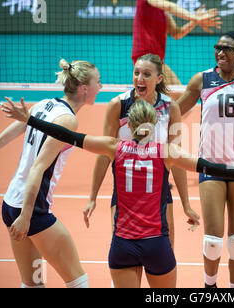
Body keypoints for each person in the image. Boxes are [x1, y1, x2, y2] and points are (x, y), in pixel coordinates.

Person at [1, 98, 234, 288]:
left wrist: (30, 120)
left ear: (130, 125)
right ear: (155, 124)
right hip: (157, 246)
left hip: (122, 245)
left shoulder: (114, 147)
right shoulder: (166, 153)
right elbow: (211, 166)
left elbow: (69, 136)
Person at [0, 59, 102, 288]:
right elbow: (38, 168)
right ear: (84, 88)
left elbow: (1, 140)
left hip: (10, 204)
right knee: (78, 280)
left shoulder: (43, 105)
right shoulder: (68, 120)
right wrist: (27, 217)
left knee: (32, 283)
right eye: (98, 82)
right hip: (32, 210)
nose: (101, 86)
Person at [86, 54, 199, 257]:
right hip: (125, 193)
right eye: (136, 73)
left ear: (159, 79)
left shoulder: (170, 107)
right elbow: (104, 153)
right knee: (123, 254)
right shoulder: (118, 105)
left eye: (147, 74)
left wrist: (186, 205)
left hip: (159, 194)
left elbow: (178, 158)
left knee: (164, 257)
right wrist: (92, 197)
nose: (139, 78)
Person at [177, 31, 234, 288]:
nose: (220, 53)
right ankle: (210, 287)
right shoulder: (202, 80)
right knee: (212, 240)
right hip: (210, 166)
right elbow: (176, 112)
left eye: (227, 49)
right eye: (218, 47)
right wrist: (148, 119)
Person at [132, 0, 222, 85]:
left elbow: (176, 33)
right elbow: (171, 6)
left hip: (157, 60)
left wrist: (195, 21)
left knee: (176, 93)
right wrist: (196, 18)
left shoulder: (164, 11)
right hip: (144, 58)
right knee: (177, 94)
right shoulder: (150, 2)